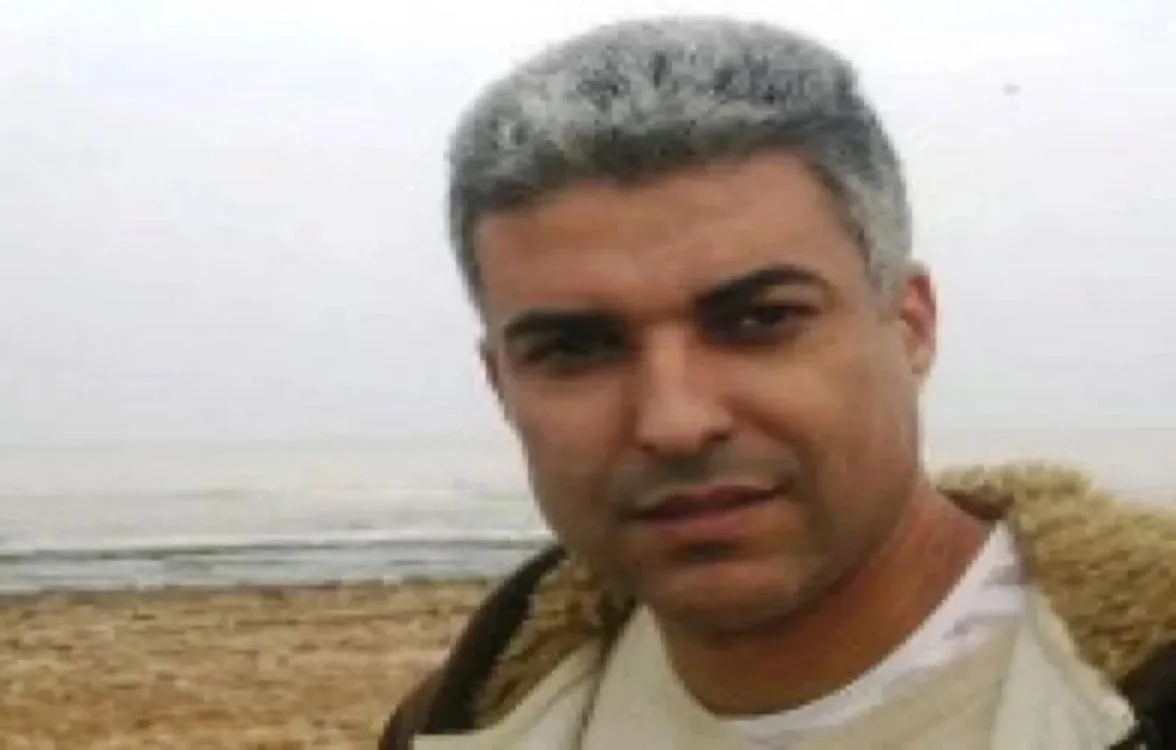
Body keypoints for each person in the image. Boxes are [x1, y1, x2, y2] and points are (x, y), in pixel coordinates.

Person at [379, 15, 1176, 749]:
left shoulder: (1140, 696)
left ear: (910, 324)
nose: (675, 421)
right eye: (576, 349)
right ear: (502, 385)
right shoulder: (472, 716)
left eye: (759, 320)